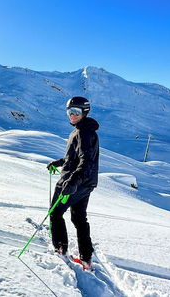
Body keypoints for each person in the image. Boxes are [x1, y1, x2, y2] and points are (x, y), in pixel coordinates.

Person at [46, 96, 99, 271]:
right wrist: (60, 162)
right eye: (70, 112)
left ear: (85, 112)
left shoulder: (83, 132)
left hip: (75, 182)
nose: (72, 116)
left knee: (55, 212)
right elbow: (76, 157)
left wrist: (72, 182)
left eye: (76, 112)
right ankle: (86, 258)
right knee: (79, 218)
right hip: (86, 183)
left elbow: (86, 161)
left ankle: (60, 249)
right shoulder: (82, 131)